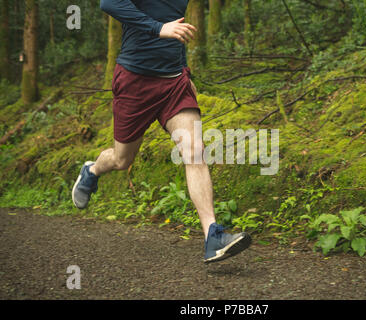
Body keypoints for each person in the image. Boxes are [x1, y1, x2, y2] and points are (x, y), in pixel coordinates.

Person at [72, 0, 251, 263]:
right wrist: (158, 29)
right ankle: (92, 170)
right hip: (135, 80)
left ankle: (212, 236)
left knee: (194, 150)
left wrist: (183, 69)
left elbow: (175, 25)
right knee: (122, 160)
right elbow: (109, 3)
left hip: (173, 82)